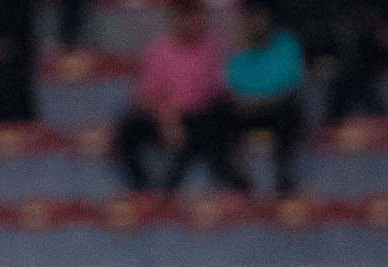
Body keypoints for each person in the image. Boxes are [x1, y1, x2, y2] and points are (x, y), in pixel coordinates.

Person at [115, 0, 248, 194]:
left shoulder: (214, 47)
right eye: (185, 17)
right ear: (174, 20)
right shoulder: (159, 50)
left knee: (216, 121)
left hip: (201, 115)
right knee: (128, 128)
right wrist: (165, 117)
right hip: (166, 116)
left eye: (196, 16)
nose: (192, 23)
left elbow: (220, 91)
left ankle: (234, 186)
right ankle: (142, 188)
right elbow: (144, 96)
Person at [228, 2, 306, 197]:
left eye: (260, 17)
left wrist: (260, 98)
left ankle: (283, 178)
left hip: (278, 110)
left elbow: (291, 85)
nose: (256, 23)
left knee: (285, 112)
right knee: (216, 118)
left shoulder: (287, 42)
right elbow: (234, 89)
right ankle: (237, 183)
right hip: (249, 111)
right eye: (251, 19)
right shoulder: (237, 48)